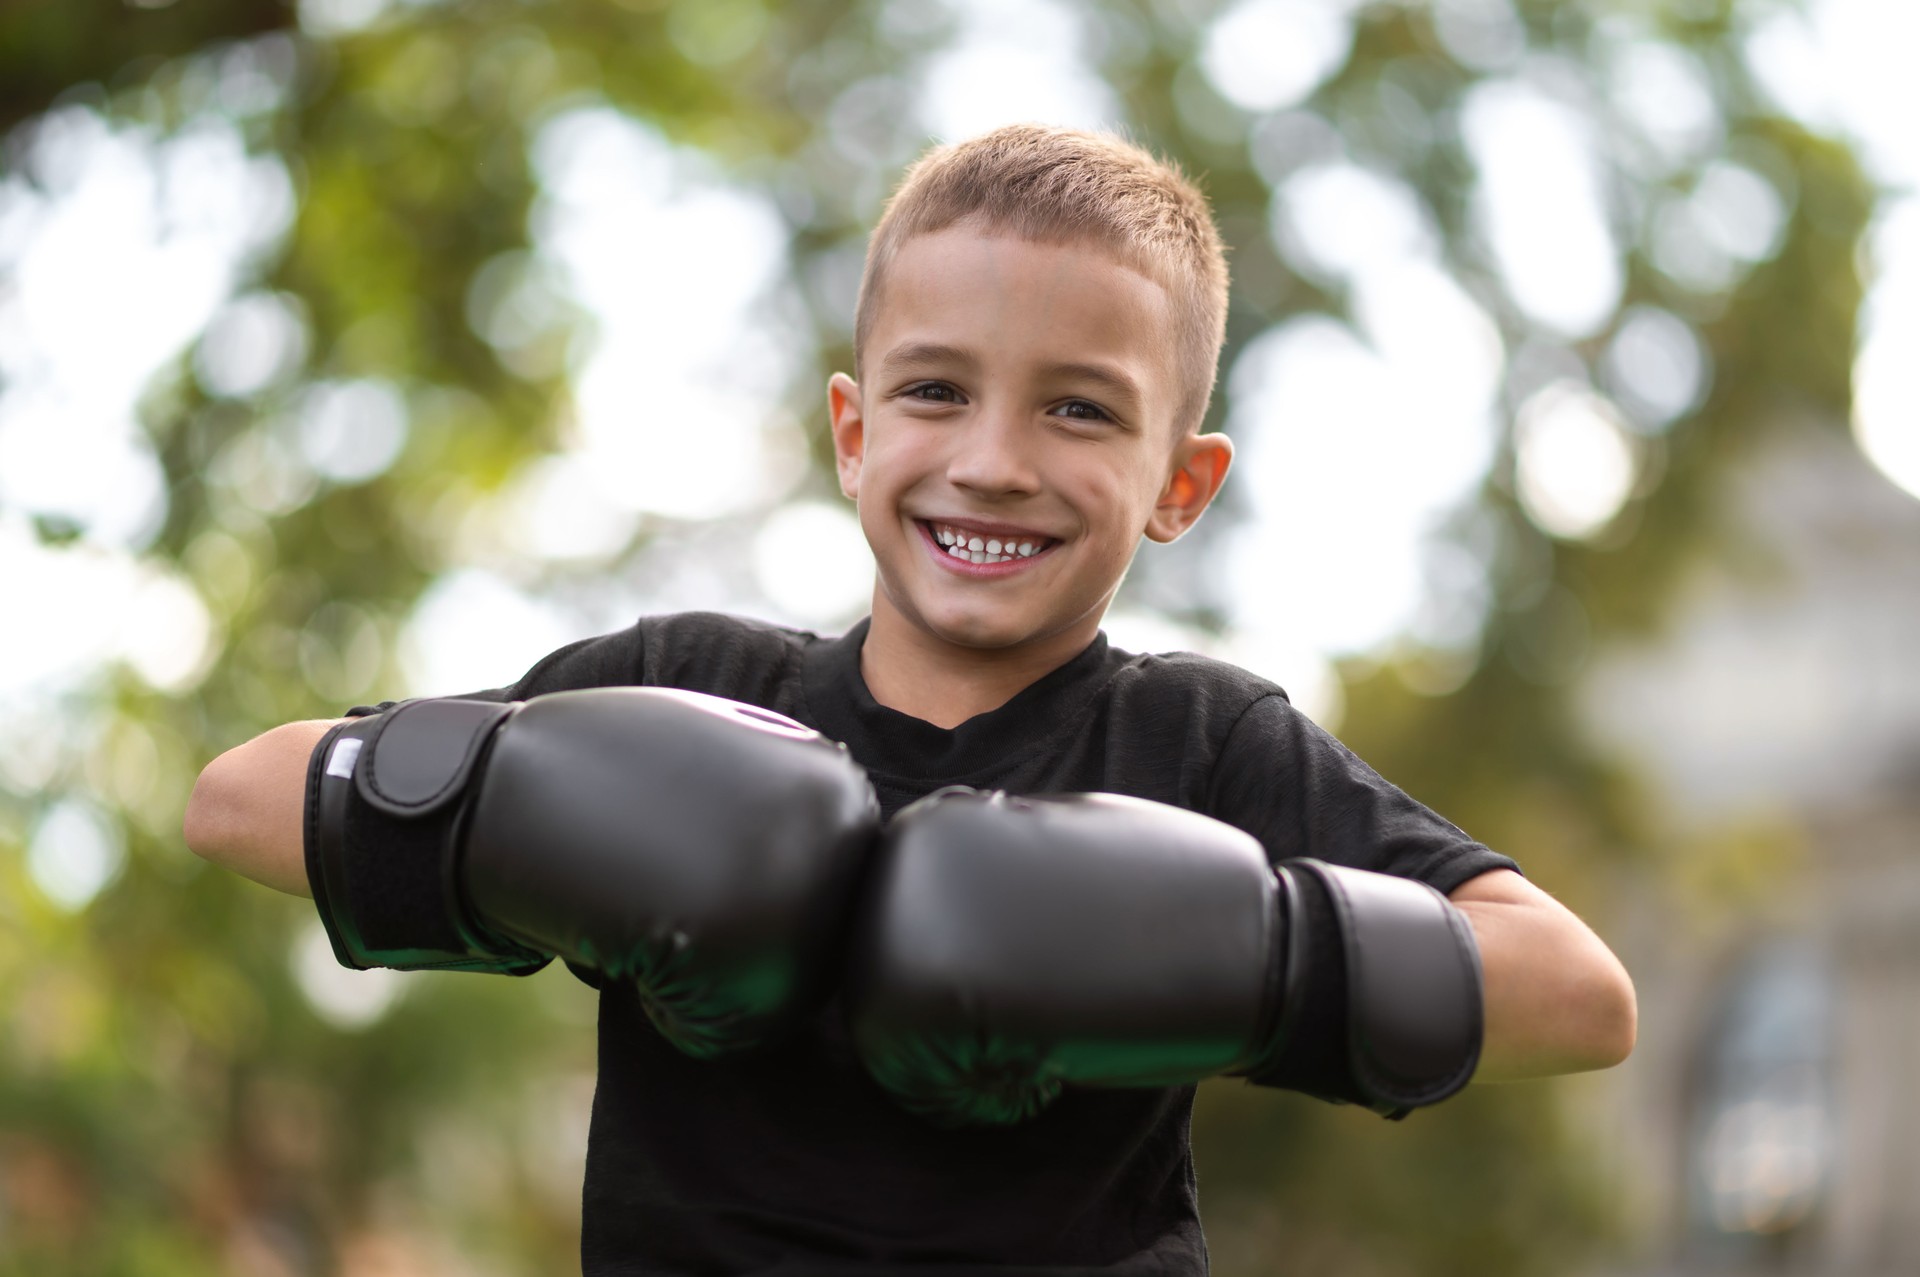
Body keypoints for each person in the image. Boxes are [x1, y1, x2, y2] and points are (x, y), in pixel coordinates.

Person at [183, 122, 1636, 1274]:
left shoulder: (1198, 741)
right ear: (852, 427)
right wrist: (530, 830)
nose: (994, 458)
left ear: (1181, 484)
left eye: (1079, 408)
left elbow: (1582, 996)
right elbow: (234, 800)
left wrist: (1245, 950)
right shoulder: (684, 686)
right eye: (937, 390)